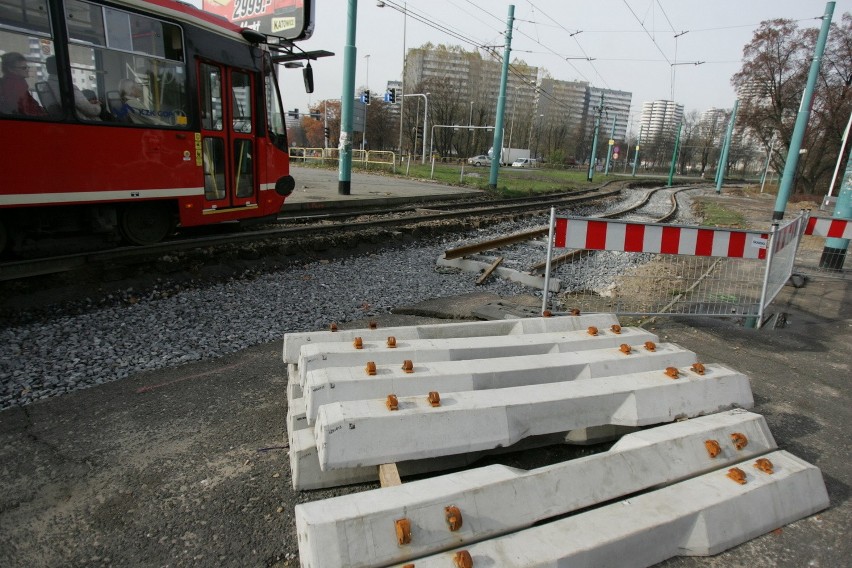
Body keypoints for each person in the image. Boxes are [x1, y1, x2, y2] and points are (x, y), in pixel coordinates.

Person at [45, 55, 101, 120]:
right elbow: (92, 111)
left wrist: (89, 103)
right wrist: (97, 105)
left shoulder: (46, 87)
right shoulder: (68, 87)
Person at [0, 52, 46, 116]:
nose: (27, 70)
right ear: (10, 69)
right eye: (23, 68)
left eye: (27, 67)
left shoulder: (7, 81)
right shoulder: (16, 84)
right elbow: (23, 110)